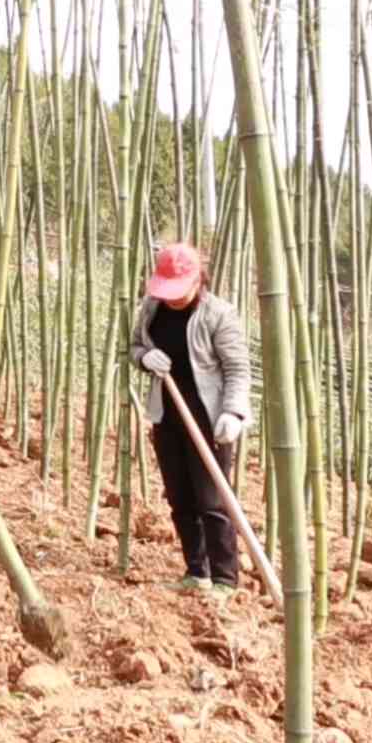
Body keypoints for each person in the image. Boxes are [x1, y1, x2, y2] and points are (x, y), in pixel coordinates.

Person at [128, 242, 252, 598]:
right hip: (167, 412)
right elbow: (135, 346)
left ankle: (225, 579)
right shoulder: (152, 309)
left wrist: (234, 412)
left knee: (212, 499)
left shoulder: (219, 315)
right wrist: (145, 357)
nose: (172, 299)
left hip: (208, 416)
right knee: (179, 496)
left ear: (198, 280)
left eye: (178, 291)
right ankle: (196, 571)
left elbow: (238, 369)